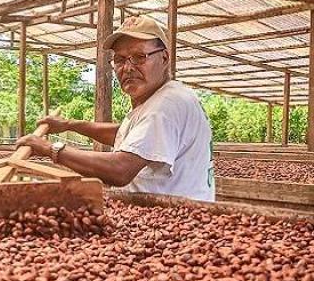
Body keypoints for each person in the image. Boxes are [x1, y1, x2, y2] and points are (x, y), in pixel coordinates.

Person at [16, 16, 215, 202]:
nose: (127, 68)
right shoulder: (164, 99)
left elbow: (120, 170)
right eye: (119, 60)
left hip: (174, 223)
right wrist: (68, 125)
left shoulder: (166, 105)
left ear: (164, 58)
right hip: (167, 213)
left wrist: (49, 149)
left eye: (139, 57)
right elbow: (127, 136)